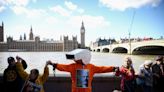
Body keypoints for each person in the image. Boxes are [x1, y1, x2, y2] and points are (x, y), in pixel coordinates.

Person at [48, 49, 118, 92]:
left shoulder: (76, 66)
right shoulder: (89, 67)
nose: (75, 60)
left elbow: (102, 69)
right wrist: (53, 64)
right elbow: (62, 67)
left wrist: (113, 68)